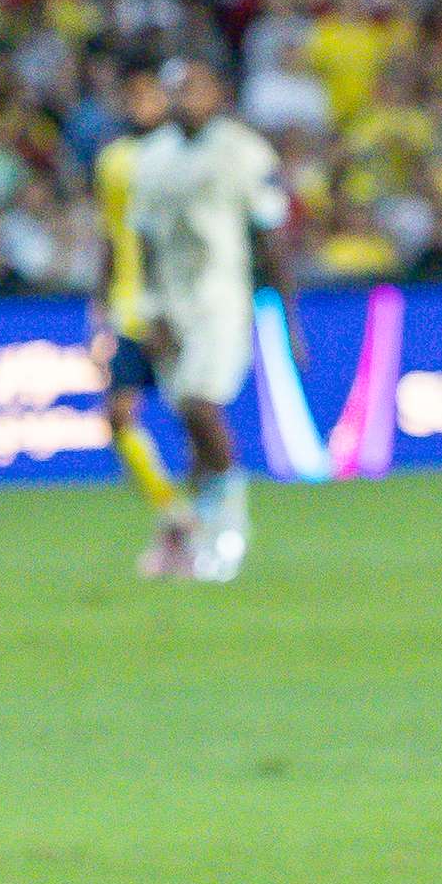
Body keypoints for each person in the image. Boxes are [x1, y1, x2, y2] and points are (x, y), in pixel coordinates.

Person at [124, 57, 295, 581]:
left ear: (216, 92)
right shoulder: (151, 156)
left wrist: (288, 317)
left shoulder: (243, 151)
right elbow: (144, 241)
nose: (183, 100)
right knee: (188, 418)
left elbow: (268, 235)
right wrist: (150, 308)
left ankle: (231, 527)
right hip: (171, 306)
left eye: (193, 89)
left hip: (222, 298)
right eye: (175, 91)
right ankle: (195, 532)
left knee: (201, 405)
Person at [89, 64, 191, 574]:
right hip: (132, 306)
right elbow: (112, 232)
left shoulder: (186, 156)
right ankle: (176, 514)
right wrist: (99, 299)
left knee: (194, 415)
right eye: (133, 95)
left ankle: (198, 522)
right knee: (119, 415)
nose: (141, 104)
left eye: (150, 94)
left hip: (181, 302)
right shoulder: (113, 161)